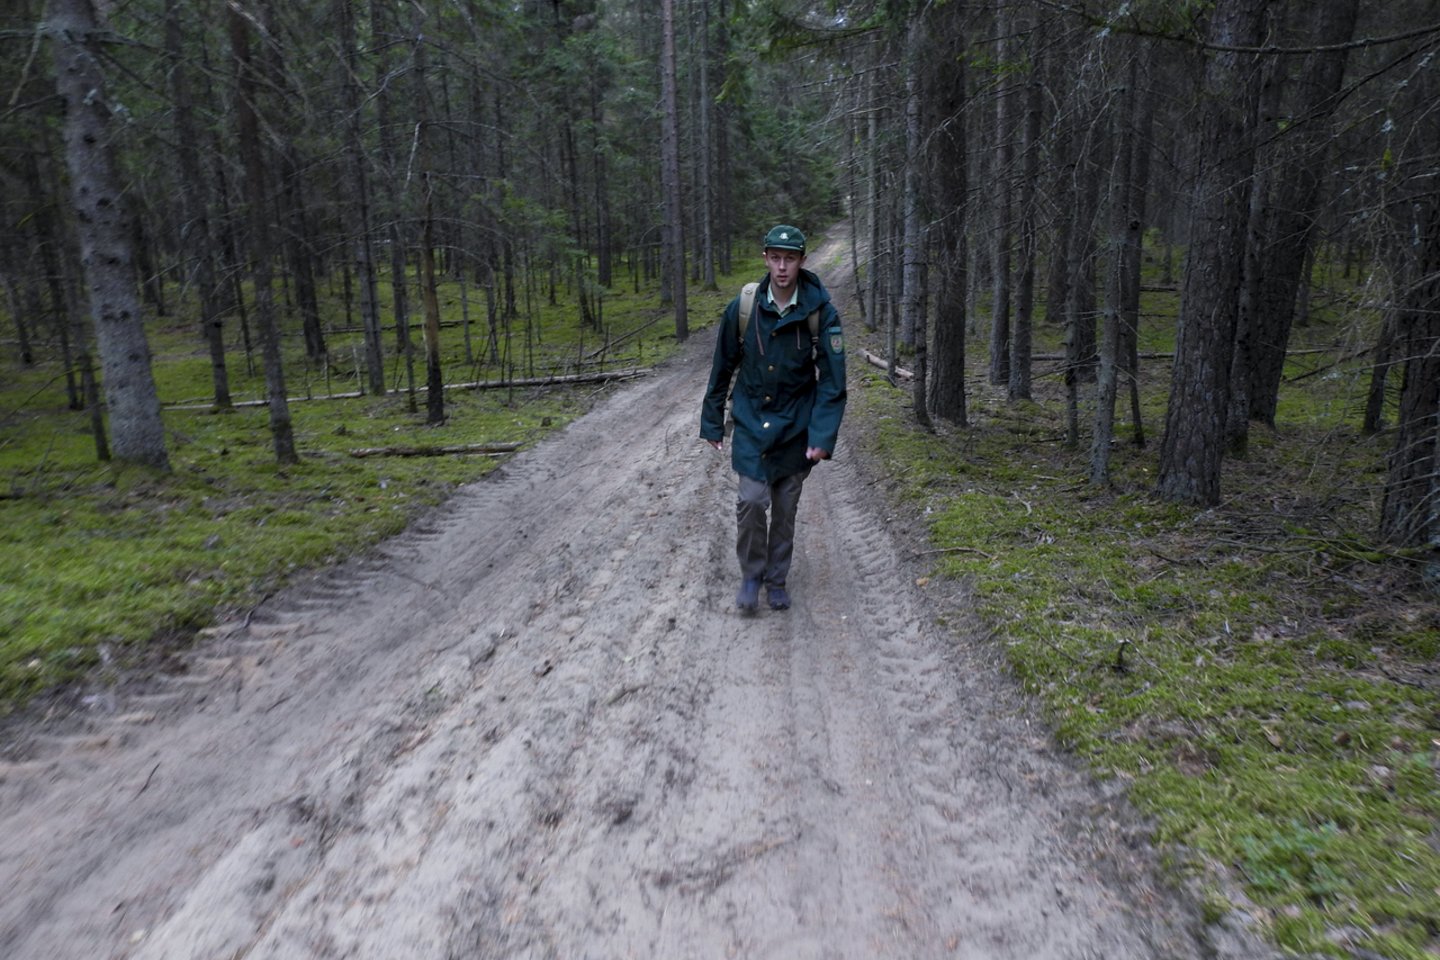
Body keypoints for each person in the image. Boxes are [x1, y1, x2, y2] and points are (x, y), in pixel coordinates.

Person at [699, 224, 847, 614]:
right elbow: (722, 367)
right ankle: (752, 574)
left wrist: (822, 437)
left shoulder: (821, 312)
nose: (782, 267)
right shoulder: (744, 308)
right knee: (750, 501)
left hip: (796, 425)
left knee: (785, 507)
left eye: (791, 259)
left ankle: (776, 579)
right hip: (751, 419)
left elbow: (832, 382)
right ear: (765, 258)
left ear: (801, 261)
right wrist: (712, 421)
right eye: (776, 258)